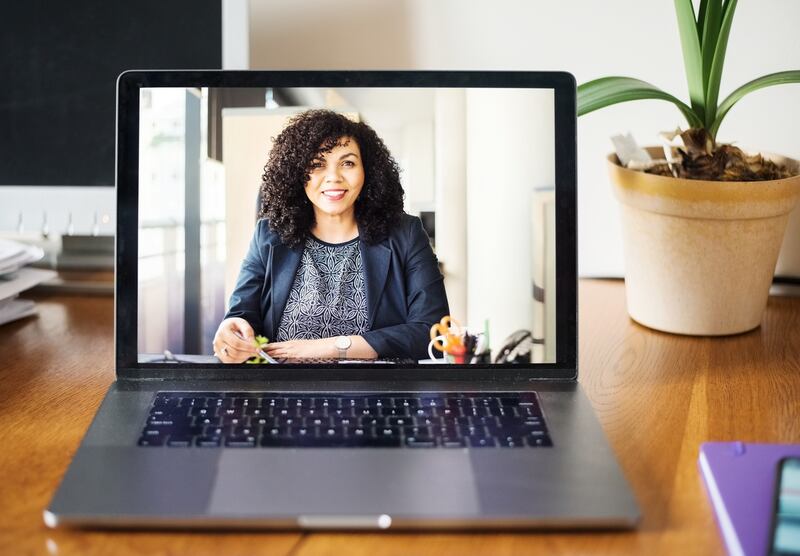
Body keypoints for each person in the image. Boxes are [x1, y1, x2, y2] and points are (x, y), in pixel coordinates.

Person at [213, 109, 449, 363]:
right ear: (296, 174)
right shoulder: (269, 235)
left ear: (367, 170)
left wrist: (331, 347)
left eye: (347, 163)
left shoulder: (405, 234)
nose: (333, 177)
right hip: (288, 395)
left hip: (379, 396)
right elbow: (241, 314)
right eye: (317, 164)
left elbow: (434, 333)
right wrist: (233, 330)